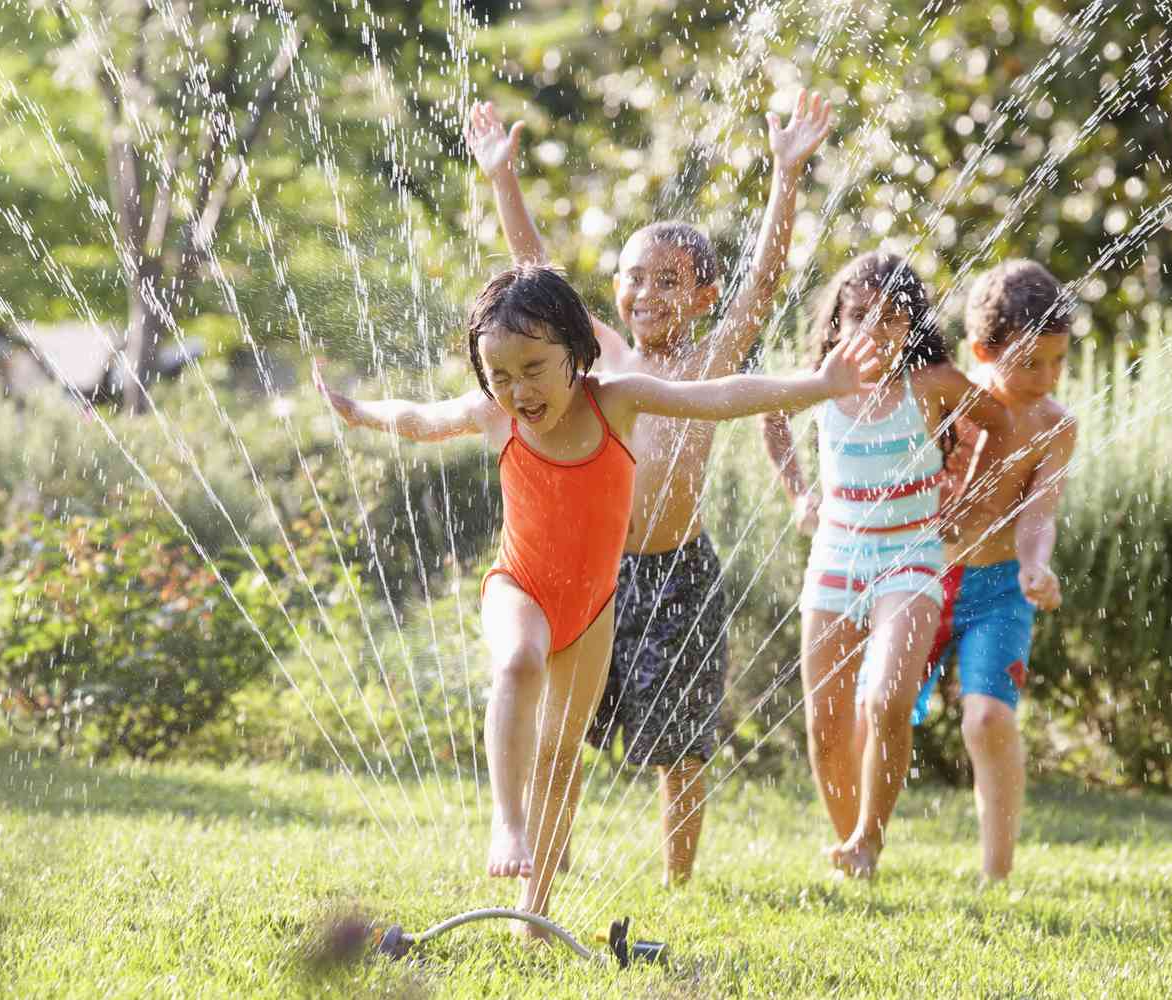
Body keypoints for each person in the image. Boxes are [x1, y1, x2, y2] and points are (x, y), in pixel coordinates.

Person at [315, 264, 876, 934]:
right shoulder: (495, 417)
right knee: (519, 661)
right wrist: (360, 412)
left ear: (577, 355)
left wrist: (819, 385)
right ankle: (506, 822)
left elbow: (721, 395)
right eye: (499, 375)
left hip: (592, 611)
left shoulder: (617, 401)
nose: (518, 390)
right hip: (518, 585)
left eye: (533, 368)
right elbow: (418, 418)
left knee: (559, 755)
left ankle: (533, 911)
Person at [465, 90, 834, 885]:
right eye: (634, 278)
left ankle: (677, 880)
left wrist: (786, 174)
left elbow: (765, 282)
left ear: (704, 296)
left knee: (682, 737)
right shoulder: (595, 358)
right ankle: (544, 857)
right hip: (588, 574)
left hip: (679, 569)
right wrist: (504, 182)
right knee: (561, 726)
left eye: (670, 282)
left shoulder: (708, 362)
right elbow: (534, 280)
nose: (646, 295)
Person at [762, 250, 1008, 878]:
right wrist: (799, 494)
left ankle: (871, 836)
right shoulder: (822, 383)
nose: (875, 331)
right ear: (838, 322)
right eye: (861, 317)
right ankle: (850, 847)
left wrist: (971, 497)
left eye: (892, 319)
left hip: (911, 557)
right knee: (824, 718)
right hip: (837, 555)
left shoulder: (930, 387)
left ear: (913, 327)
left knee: (888, 699)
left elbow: (1000, 422)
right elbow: (770, 413)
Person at [911, 259, 1077, 882]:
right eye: (1032, 362)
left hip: (1000, 586)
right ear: (983, 350)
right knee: (885, 707)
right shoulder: (951, 404)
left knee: (988, 718)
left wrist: (1036, 566)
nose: (1048, 377)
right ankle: (862, 841)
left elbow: (1039, 512)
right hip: (924, 578)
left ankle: (996, 873)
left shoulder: (1055, 426)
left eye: (1058, 362)